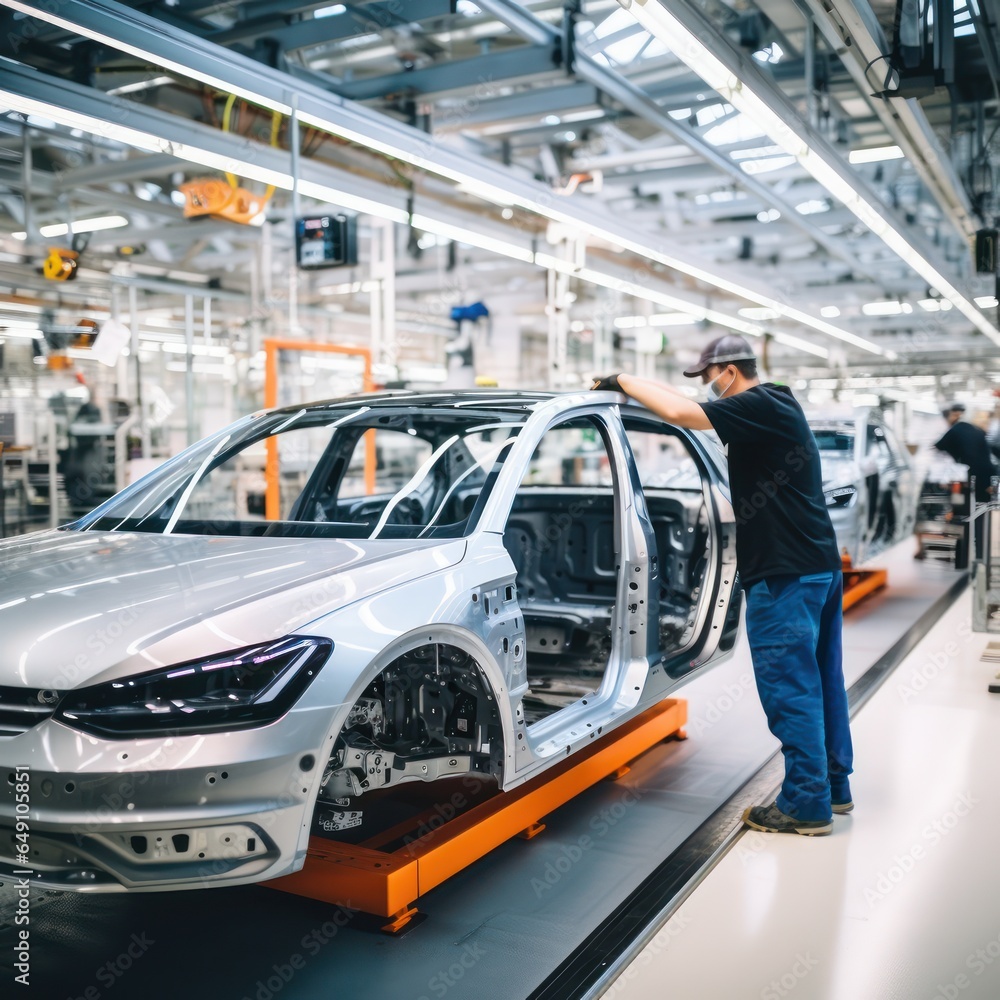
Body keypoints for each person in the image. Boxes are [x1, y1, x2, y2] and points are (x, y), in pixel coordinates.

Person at [591, 335, 852, 836]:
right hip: (813, 565)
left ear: (729, 372)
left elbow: (682, 413)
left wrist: (621, 380)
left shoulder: (760, 402)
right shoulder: (777, 405)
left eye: (709, 378)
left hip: (784, 575)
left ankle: (805, 805)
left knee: (790, 688)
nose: (709, 389)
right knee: (820, 681)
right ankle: (833, 787)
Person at [936, 403, 995, 505]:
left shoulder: (956, 429)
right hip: (985, 477)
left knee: (960, 502)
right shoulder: (978, 432)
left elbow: (938, 447)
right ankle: (975, 518)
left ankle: (959, 515)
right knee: (980, 505)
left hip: (964, 476)